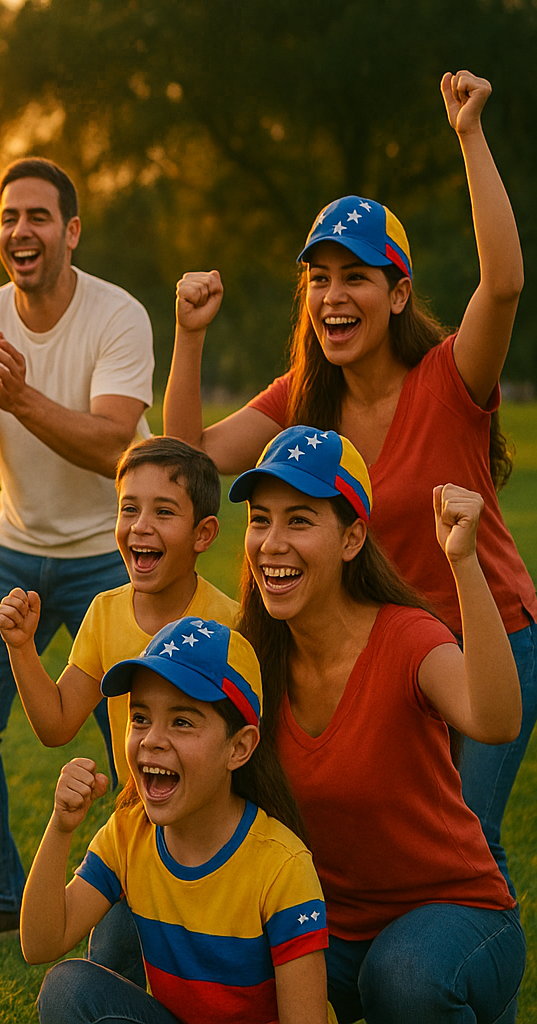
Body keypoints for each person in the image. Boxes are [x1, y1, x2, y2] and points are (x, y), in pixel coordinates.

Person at [163, 70, 534, 886]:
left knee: (469, 836)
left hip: (486, 639)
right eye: (319, 279)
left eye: (356, 277)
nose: (333, 296)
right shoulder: (304, 400)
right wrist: (188, 339)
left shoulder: (450, 376)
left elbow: (503, 284)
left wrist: (470, 134)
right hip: (389, 655)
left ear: (398, 293)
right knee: (388, 842)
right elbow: (188, 454)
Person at [0, 156, 154, 950]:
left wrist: (17, 397)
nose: (22, 231)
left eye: (39, 217)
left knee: (135, 737)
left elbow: (115, 444)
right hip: (16, 547)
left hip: (112, 553)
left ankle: (147, 893)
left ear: (71, 231)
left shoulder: (117, 316)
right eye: (9, 218)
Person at [231, 425, 523, 1022]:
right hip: (329, 927)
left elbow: (495, 719)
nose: (271, 543)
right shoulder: (253, 658)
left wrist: (464, 562)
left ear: (352, 538)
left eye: (301, 520)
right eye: (261, 519)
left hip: (458, 915)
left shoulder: (406, 638)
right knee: (229, 960)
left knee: (402, 974)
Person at [0, 435, 238, 984]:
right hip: (135, 834)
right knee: (108, 973)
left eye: (163, 511)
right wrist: (22, 649)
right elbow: (58, 722)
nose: (141, 526)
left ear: (203, 534)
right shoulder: (106, 614)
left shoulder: (230, 625)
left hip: (214, 839)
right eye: (129, 509)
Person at [22, 618, 329, 1024]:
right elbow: (40, 943)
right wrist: (61, 826)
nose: (152, 739)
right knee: (68, 988)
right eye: (141, 718)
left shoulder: (282, 867)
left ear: (239, 748)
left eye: (182, 721)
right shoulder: (129, 833)